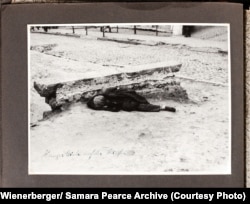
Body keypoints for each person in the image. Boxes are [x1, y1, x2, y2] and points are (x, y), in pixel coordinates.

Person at [87, 88, 176, 112]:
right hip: (128, 103)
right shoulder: (107, 104)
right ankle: (163, 107)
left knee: (140, 103)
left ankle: (163, 107)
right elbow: (116, 109)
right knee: (142, 107)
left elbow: (121, 93)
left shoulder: (108, 94)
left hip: (128, 97)